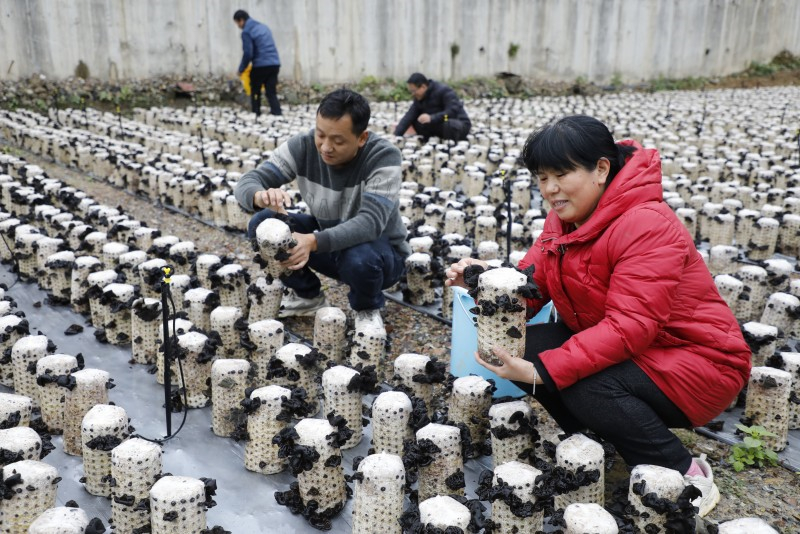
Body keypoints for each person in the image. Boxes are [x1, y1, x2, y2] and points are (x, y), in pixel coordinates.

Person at [445, 115, 751, 518]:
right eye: (542, 178)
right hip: (638, 351)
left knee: (573, 378)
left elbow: (631, 326)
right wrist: (484, 283)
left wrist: (542, 373)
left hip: (699, 363)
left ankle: (683, 472)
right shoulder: (562, 221)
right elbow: (530, 288)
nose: (550, 189)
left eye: (562, 174)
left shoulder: (646, 224)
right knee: (524, 349)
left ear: (602, 169)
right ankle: (601, 437)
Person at [234, 88, 409, 325]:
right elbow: (248, 181)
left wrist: (312, 241)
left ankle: (367, 308)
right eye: (320, 135)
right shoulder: (303, 146)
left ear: (362, 138)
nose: (326, 147)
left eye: (338, 141)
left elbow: (370, 223)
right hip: (332, 244)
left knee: (359, 258)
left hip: (380, 255)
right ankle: (307, 295)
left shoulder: (383, 156)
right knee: (263, 224)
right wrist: (260, 195)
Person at [394, 73, 471, 141]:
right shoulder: (419, 98)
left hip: (455, 121)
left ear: (423, 87)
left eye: (414, 91)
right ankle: (429, 142)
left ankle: (451, 145)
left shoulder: (444, 91)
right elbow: (409, 116)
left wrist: (432, 118)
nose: (412, 94)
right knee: (417, 121)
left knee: (447, 123)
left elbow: (451, 112)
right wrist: (396, 135)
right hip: (438, 123)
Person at [233, 9, 282, 116]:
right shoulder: (263, 27)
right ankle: (277, 113)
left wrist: (241, 69)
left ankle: (256, 113)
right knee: (271, 91)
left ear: (241, 20)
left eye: (237, 23)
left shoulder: (247, 31)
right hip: (275, 63)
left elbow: (248, 53)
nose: (238, 26)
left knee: (255, 89)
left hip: (261, 65)